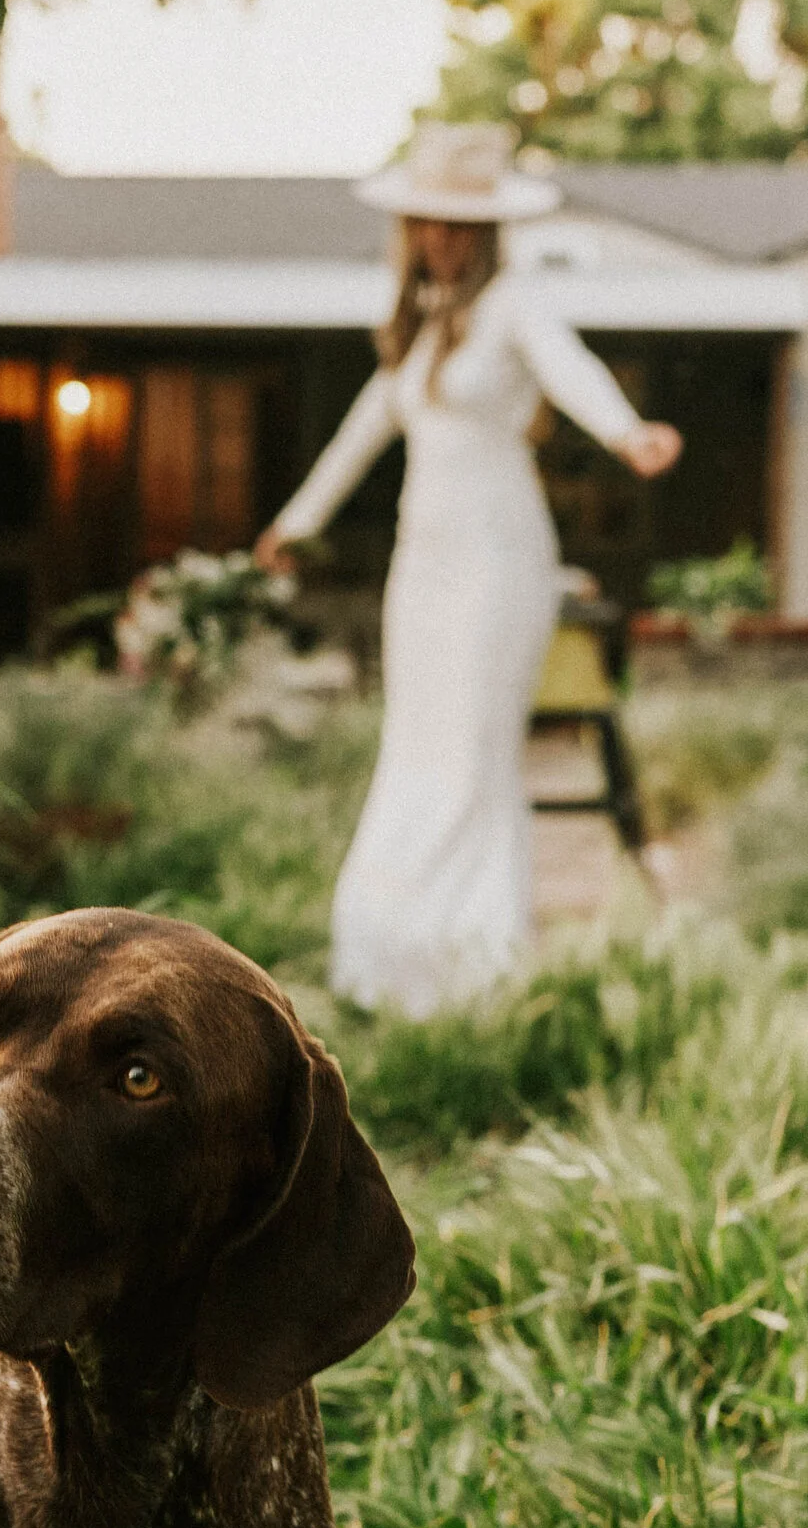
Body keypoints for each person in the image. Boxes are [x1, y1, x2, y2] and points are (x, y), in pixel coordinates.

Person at [253, 123, 682, 1019]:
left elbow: (573, 369)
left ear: (486, 232)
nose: (439, 240)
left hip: (500, 560)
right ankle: (392, 955)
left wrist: (624, 432)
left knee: (473, 755)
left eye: (456, 226)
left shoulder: (514, 305)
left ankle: (477, 961)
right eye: (426, 224)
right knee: (417, 744)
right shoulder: (418, 328)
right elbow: (360, 437)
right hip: (426, 562)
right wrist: (296, 523)